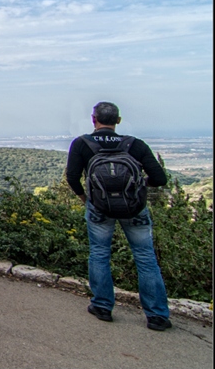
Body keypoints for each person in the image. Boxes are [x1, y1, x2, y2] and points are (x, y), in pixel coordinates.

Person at [66, 101, 171, 331]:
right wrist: (140, 188)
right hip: (134, 208)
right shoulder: (135, 144)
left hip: (99, 208)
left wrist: (85, 198)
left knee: (100, 253)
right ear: (119, 121)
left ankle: (102, 306)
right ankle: (157, 316)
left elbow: (72, 177)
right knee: (145, 257)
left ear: (94, 119)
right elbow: (160, 178)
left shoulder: (82, 143)